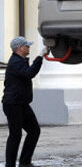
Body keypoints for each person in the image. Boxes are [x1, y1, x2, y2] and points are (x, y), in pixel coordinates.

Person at [2, 37, 45, 167]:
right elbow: (29, 73)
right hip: (13, 104)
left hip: (22, 103)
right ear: (20, 48)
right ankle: (10, 165)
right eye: (27, 45)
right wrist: (40, 57)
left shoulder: (20, 60)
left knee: (34, 131)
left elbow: (28, 73)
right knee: (15, 135)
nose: (28, 47)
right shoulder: (16, 62)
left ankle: (25, 162)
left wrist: (40, 57)